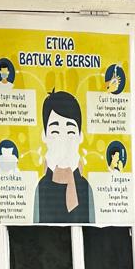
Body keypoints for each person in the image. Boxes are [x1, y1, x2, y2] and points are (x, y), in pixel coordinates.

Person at [33, 90, 94, 224]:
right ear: (44, 136)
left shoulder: (85, 187)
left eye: (70, 132)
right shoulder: (41, 187)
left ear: (80, 136)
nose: (63, 140)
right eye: (55, 132)